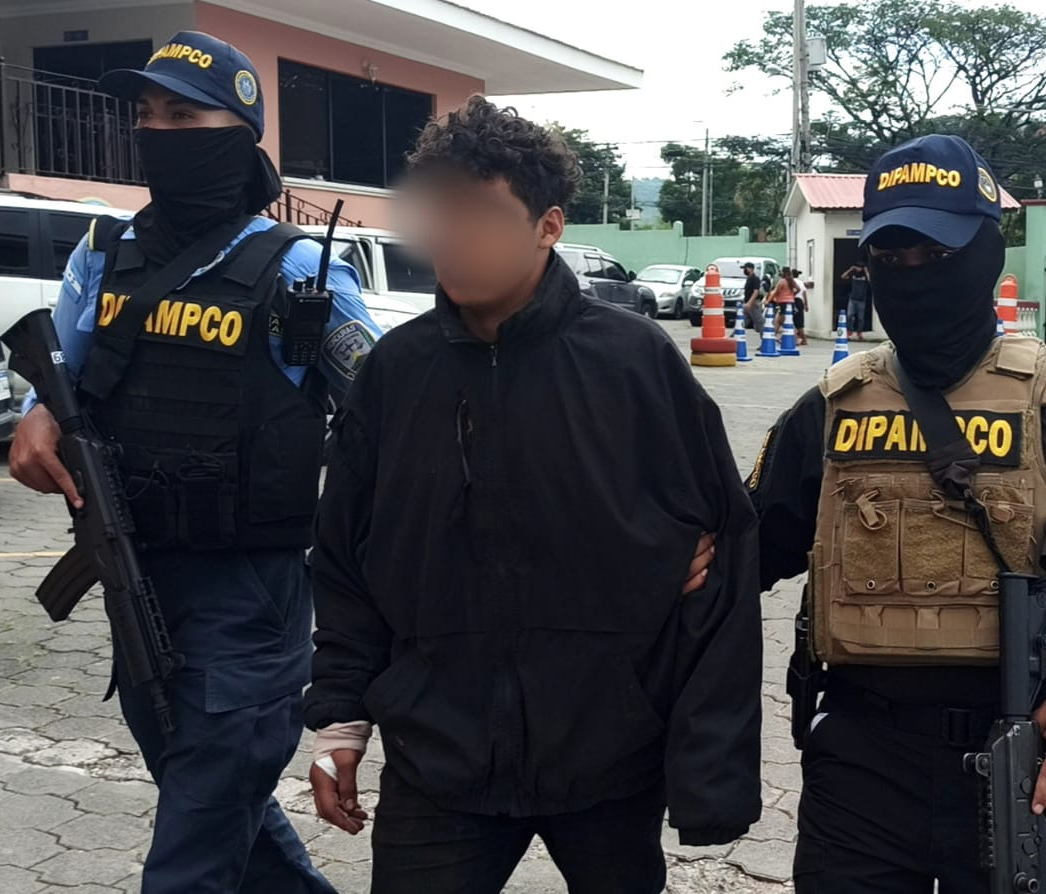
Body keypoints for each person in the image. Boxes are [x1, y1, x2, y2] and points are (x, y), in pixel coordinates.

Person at [304, 97, 763, 894]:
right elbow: (344, 554)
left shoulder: (633, 364)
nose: (453, 236)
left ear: (548, 226)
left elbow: (724, 559)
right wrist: (341, 718)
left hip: (609, 754)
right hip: (436, 756)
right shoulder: (394, 374)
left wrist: (711, 773)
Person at [748, 134, 1046, 893]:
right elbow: (745, 550)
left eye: (937, 254)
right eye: (893, 257)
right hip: (858, 761)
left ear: (987, 252)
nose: (914, 274)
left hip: (1021, 754)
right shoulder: (831, 408)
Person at [7, 31, 381, 894]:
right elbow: (61, 371)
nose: (156, 132)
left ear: (239, 137)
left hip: (248, 598)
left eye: (183, 115)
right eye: (145, 115)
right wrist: (35, 418)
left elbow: (388, 411)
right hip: (137, 574)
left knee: (190, 853)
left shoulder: (299, 270)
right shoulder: (104, 251)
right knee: (214, 807)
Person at [840, 261, 870, 340]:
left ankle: (859, 333)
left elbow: (870, 281)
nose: (858, 269)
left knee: (860, 318)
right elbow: (843, 276)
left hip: (861, 300)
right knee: (849, 315)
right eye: (857, 267)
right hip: (852, 299)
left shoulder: (865, 275)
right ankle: (849, 331)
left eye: (860, 267)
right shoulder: (853, 274)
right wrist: (850, 269)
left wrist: (866, 271)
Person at [742, 261, 766, 342]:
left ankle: (765, 341)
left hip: (753, 304)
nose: (744, 270)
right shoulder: (748, 278)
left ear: (751, 269)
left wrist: (749, 303)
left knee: (760, 322)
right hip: (747, 303)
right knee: (742, 321)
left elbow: (756, 292)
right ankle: (734, 338)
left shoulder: (755, 279)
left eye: (745, 268)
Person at [791, 269, 810, 345]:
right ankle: (802, 339)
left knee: (793, 321)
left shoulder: (792, 282)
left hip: (794, 300)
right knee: (799, 321)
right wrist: (806, 304)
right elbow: (804, 294)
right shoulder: (801, 282)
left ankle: (802, 339)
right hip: (800, 302)